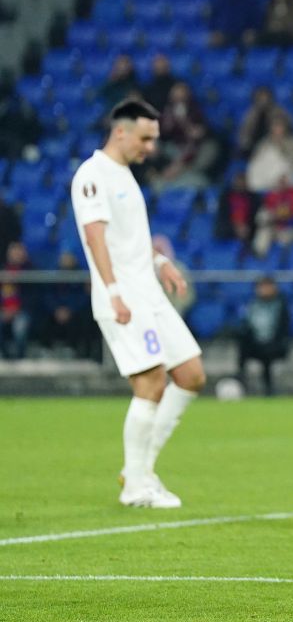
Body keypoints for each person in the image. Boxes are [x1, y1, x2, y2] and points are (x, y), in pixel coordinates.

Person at [70, 98, 207, 508]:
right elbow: (95, 236)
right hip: (124, 295)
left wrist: (161, 262)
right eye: (146, 139)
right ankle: (135, 486)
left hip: (148, 290)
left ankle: (139, 471)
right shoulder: (92, 175)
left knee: (191, 374)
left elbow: (129, 237)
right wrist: (113, 292)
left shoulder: (125, 175)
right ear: (120, 132)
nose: (151, 147)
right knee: (150, 383)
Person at [236, 275, 290, 395]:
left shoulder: (281, 305)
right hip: (256, 343)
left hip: (275, 344)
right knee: (243, 344)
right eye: (261, 287)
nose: (263, 290)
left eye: (267, 287)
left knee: (267, 353)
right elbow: (247, 324)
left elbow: (283, 329)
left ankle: (268, 388)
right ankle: (240, 380)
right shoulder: (253, 305)